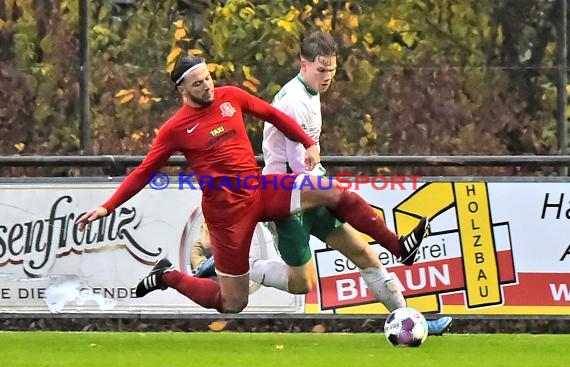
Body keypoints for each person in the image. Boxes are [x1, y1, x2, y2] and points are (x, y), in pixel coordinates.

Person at [76, 53, 429, 314]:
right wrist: (107, 206)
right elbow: (144, 171)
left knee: (333, 193)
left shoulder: (231, 96)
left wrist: (308, 143)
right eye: (197, 82)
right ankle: (167, 276)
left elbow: (273, 116)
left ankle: (400, 247)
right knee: (233, 302)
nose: (207, 85)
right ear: (182, 89)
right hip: (227, 216)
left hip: (260, 190)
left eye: (208, 77)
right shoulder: (175, 128)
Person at [194, 32, 451, 335]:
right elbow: (298, 164)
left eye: (332, 69)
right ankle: (236, 268)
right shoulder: (293, 102)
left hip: (309, 192)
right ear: (303, 64)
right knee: (303, 284)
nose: (328, 76)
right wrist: (330, 193)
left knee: (365, 255)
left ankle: (411, 321)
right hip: (287, 202)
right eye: (321, 70)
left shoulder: (310, 92)